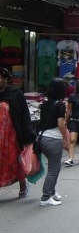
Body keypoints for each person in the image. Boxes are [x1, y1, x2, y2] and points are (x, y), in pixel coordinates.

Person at [0, 67, 36, 198]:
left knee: (15, 162)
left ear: (5, 79)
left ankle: (23, 185)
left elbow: (24, 116)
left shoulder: (15, 94)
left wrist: (28, 135)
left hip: (11, 137)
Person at [39, 78, 69, 206]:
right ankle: (46, 197)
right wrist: (65, 139)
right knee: (53, 169)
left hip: (42, 138)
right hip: (53, 138)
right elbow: (61, 124)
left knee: (54, 167)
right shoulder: (60, 105)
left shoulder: (45, 103)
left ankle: (52, 192)